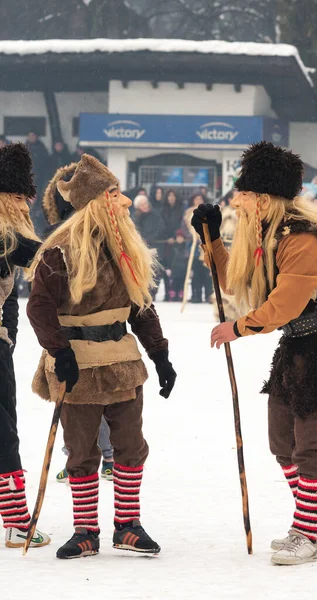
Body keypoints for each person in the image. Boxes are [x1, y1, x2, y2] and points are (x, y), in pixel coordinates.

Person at [192, 141, 317, 566]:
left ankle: (306, 532)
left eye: (241, 195)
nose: (235, 202)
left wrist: (236, 329)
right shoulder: (264, 233)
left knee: (312, 443)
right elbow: (235, 284)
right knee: (282, 439)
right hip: (299, 343)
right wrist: (210, 240)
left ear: (261, 199)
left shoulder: (302, 239)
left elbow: (282, 307)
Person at [26, 154, 177, 559]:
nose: (124, 202)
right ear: (95, 201)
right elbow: (39, 308)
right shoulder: (59, 251)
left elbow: (141, 307)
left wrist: (160, 355)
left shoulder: (124, 246)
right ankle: (85, 530)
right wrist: (59, 352)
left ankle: (127, 526)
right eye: (114, 194)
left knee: (130, 446)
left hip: (123, 364)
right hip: (77, 366)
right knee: (81, 451)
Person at [41, 162, 116, 481]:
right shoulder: (59, 236)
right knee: (70, 400)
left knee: (98, 399)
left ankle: (107, 456)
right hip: (64, 332)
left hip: (97, 333)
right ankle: (76, 454)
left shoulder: (101, 233)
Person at [0, 143, 50, 549]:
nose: (24, 205)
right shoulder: (6, 238)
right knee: (2, 434)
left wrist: (9, 339)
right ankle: (17, 521)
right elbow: (45, 256)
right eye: (17, 197)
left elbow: (10, 302)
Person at [159, 189, 184, 301]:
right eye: (169, 196)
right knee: (166, 268)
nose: (171, 198)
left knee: (178, 267)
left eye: (173, 195)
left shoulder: (181, 210)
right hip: (166, 243)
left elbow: (182, 224)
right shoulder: (162, 210)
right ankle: (168, 292)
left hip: (179, 242)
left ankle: (179, 291)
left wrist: (178, 235)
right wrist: (167, 237)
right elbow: (161, 225)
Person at [25, 131, 50, 235]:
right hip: (26, 179)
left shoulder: (41, 149)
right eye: (29, 136)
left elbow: (45, 165)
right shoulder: (24, 148)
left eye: (33, 135)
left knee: (39, 202)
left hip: (40, 179)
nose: (31, 138)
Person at [169, 229, 188, 302]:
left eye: (181, 237)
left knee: (182, 283)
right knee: (174, 283)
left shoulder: (185, 247)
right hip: (175, 269)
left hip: (183, 269)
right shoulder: (173, 247)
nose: (179, 239)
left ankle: (181, 296)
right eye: (178, 237)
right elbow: (170, 258)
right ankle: (173, 296)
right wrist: (169, 268)